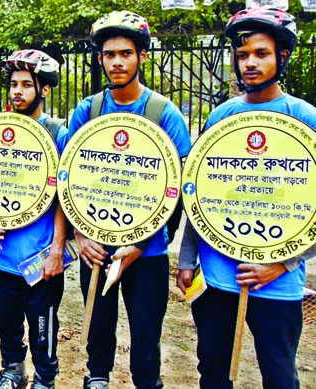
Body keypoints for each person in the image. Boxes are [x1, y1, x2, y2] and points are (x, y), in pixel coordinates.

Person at [176, 7, 314, 389]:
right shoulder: (220, 117)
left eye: (261, 53)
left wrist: (284, 264)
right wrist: (187, 259)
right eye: (242, 55)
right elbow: (201, 196)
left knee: (280, 375)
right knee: (214, 372)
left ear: (282, 57)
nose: (250, 63)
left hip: (276, 282)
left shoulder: (306, 118)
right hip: (218, 279)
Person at [71, 11, 191, 389]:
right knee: (97, 327)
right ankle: (97, 378)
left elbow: (178, 188)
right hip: (95, 244)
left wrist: (140, 243)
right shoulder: (86, 111)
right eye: (109, 55)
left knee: (145, 336)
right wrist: (80, 235)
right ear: (100, 59)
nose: (117, 62)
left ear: (141, 56)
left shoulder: (163, 113)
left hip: (148, 251)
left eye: (125, 53)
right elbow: (68, 179)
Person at [0, 50, 69, 389]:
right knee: (6, 320)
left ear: (44, 90)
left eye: (25, 85)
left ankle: (45, 379)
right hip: (2, 254)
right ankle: (13, 370)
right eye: (13, 84)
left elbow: (66, 197)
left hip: (40, 258)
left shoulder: (57, 133)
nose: (16, 91)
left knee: (42, 325)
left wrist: (58, 249)